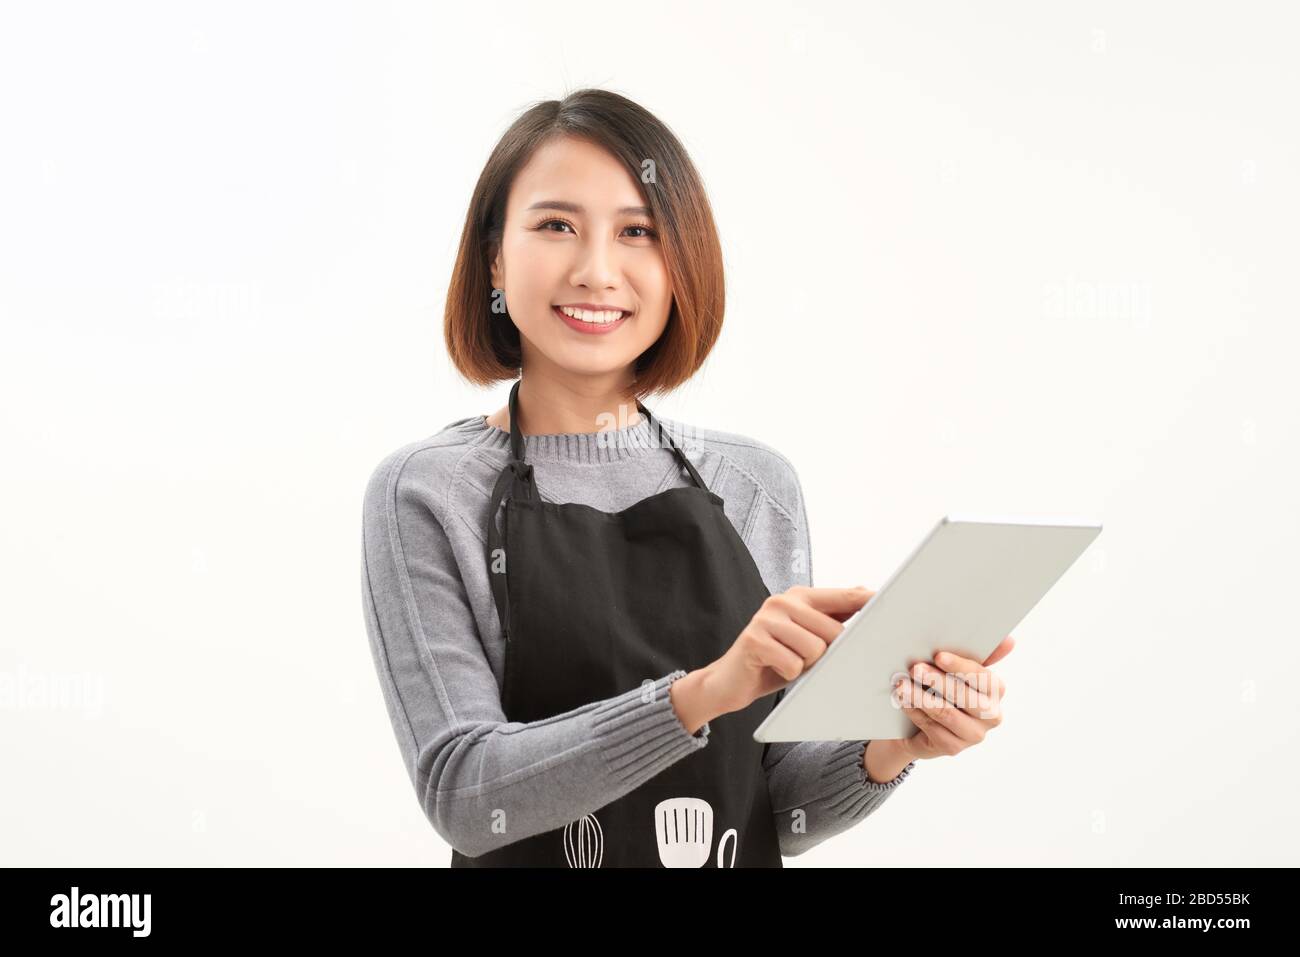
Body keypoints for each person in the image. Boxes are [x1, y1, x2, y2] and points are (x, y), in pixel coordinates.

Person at [359, 88, 1011, 868]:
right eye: (556, 225)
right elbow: (467, 798)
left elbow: (774, 809)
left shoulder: (756, 483)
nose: (598, 270)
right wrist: (702, 692)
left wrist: (892, 745)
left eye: (638, 232)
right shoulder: (425, 492)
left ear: (681, 265)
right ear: (495, 257)